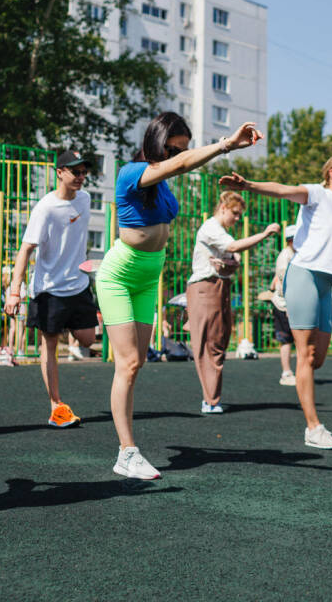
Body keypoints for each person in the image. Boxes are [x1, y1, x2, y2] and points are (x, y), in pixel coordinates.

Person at [98, 112, 261, 480]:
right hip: (119, 276)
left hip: (147, 279)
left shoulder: (162, 187)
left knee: (137, 363)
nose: (179, 155)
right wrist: (226, 145)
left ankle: (127, 448)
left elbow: (178, 170)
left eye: (183, 149)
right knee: (127, 364)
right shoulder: (131, 172)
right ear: (155, 143)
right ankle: (126, 452)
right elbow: (183, 165)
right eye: (173, 149)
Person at [220, 152, 332, 450]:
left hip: (326, 284)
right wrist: (248, 185)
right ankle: (313, 428)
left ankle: (312, 421)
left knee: (318, 358)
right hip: (304, 276)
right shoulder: (317, 194)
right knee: (305, 355)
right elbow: (283, 190)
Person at [4, 149, 99, 427]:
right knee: (50, 344)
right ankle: (56, 406)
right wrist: (15, 291)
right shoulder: (45, 208)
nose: (81, 177)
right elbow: (25, 250)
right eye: (75, 172)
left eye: (84, 172)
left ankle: (65, 323)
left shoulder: (85, 199)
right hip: (50, 289)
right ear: (59, 172)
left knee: (88, 340)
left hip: (78, 285)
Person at [185, 190, 280, 413]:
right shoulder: (210, 227)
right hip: (206, 287)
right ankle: (210, 400)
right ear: (223, 208)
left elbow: (232, 254)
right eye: (235, 213)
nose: (237, 218)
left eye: (240, 215)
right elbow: (234, 247)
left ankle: (211, 398)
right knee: (210, 344)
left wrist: (231, 261)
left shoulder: (221, 231)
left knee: (219, 341)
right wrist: (264, 234)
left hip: (219, 287)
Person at [269, 225, 298, 386]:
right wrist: (289, 306)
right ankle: (286, 373)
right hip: (284, 305)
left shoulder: (297, 254)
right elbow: (285, 283)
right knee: (286, 340)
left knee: (299, 340)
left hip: (293, 303)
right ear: (290, 240)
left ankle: (300, 371)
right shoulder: (285, 256)